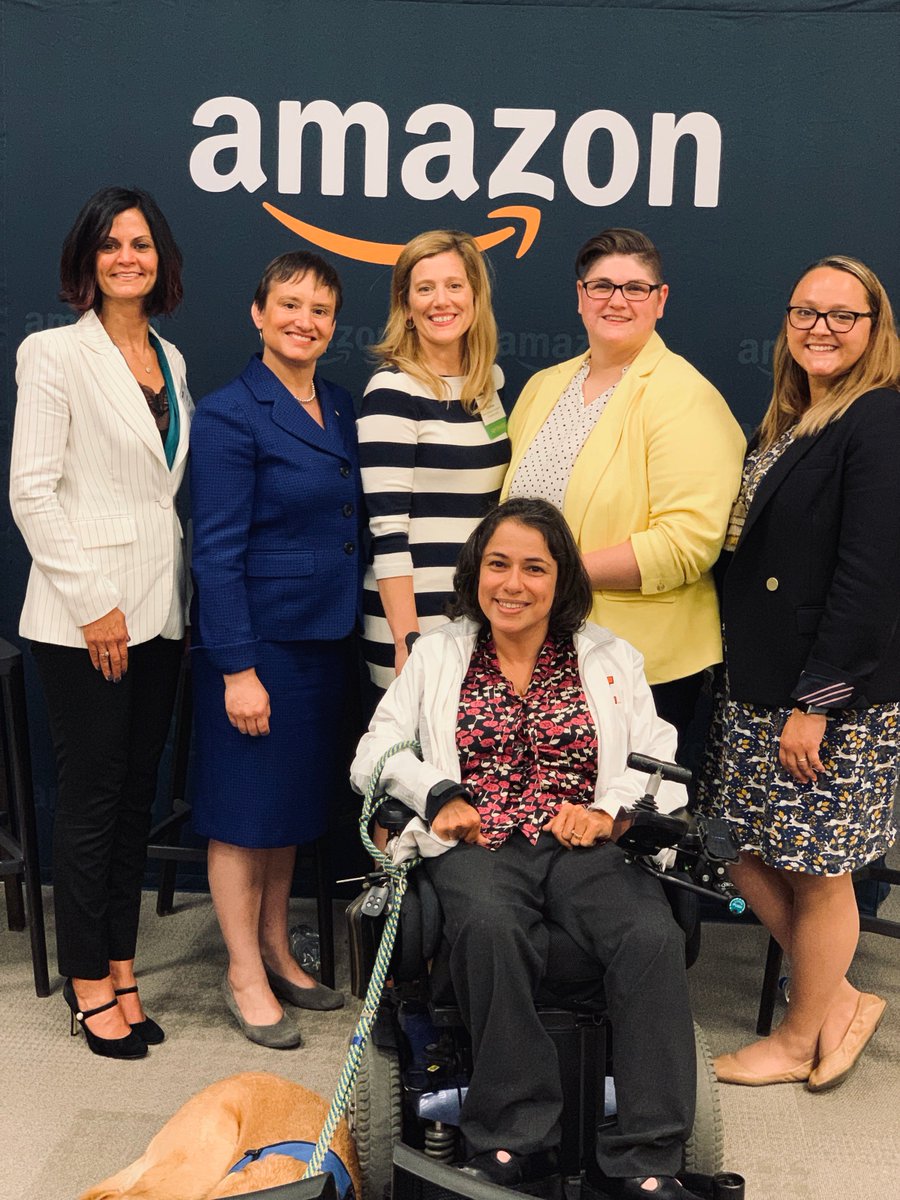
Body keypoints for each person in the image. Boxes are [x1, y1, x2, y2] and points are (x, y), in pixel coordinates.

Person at [351, 498, 705, 1200]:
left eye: (533, 568)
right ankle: (515, 1139)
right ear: (476, 572)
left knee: (648, 934)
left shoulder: (610, 658)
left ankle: (649, 1158)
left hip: (582, 846)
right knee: (489, 926)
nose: (513, 584)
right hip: (479, 842)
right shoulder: (438, 654)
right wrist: (439, 794)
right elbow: (374, 753)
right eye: (498, 565)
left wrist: (609, 814)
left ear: (561, 578)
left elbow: (657, 758)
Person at [696, 255, 900, 1091]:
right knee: (730, 843)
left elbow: (871, 574)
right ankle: (843, 998)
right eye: (806, 312)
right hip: (757, 681)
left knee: (820, 871)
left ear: (875, 329)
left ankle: (799, 1034)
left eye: (842, 315)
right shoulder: (793, 416)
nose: (821, 327)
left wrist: (816, 701)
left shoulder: (878, 418)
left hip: (828, 695)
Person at [9, 186, 191, 1059]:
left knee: (131, 801)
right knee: (89, 803)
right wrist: (95, 604)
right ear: (88, 260)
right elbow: (32, 492)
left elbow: (157, 495)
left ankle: (122, 965)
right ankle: (88, 986)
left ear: (162, 260)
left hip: (159, 615)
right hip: (87, 621)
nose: (129, 257)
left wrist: (148, 608)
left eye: (143, 244)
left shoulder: (173, 360)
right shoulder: (53, 354)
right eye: (112, 244)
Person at [189, 250, 359, 1048]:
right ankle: (242, 972)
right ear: (258, 314)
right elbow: (215, 551)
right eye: (289, 304)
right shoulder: (231, 411)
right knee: (243, 816)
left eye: (320, 309)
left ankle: (277, 950)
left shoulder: (339, 404)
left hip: (325, 641)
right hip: (259, 648)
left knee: (288, 812)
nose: (305, 320)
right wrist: (237, 668)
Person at [504, 228, 745, 744]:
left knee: (617, 822)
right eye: (601, 286)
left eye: (635, 288)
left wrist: (551, 577)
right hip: (540, 650)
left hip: (641, 665)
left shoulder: (686, 396)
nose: (617, 300)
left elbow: (687, 543)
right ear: (580, 296)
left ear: (660, 301)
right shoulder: (542, 386)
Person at [358, 230, 510, 691]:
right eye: (425, 289)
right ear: (406, 305)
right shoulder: (393, 391)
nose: (440, 301)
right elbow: (388, 532)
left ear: (475, 296)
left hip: (481, 613)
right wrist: (408, 640)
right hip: (416, 619)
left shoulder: (487, 387)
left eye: (454, 285)